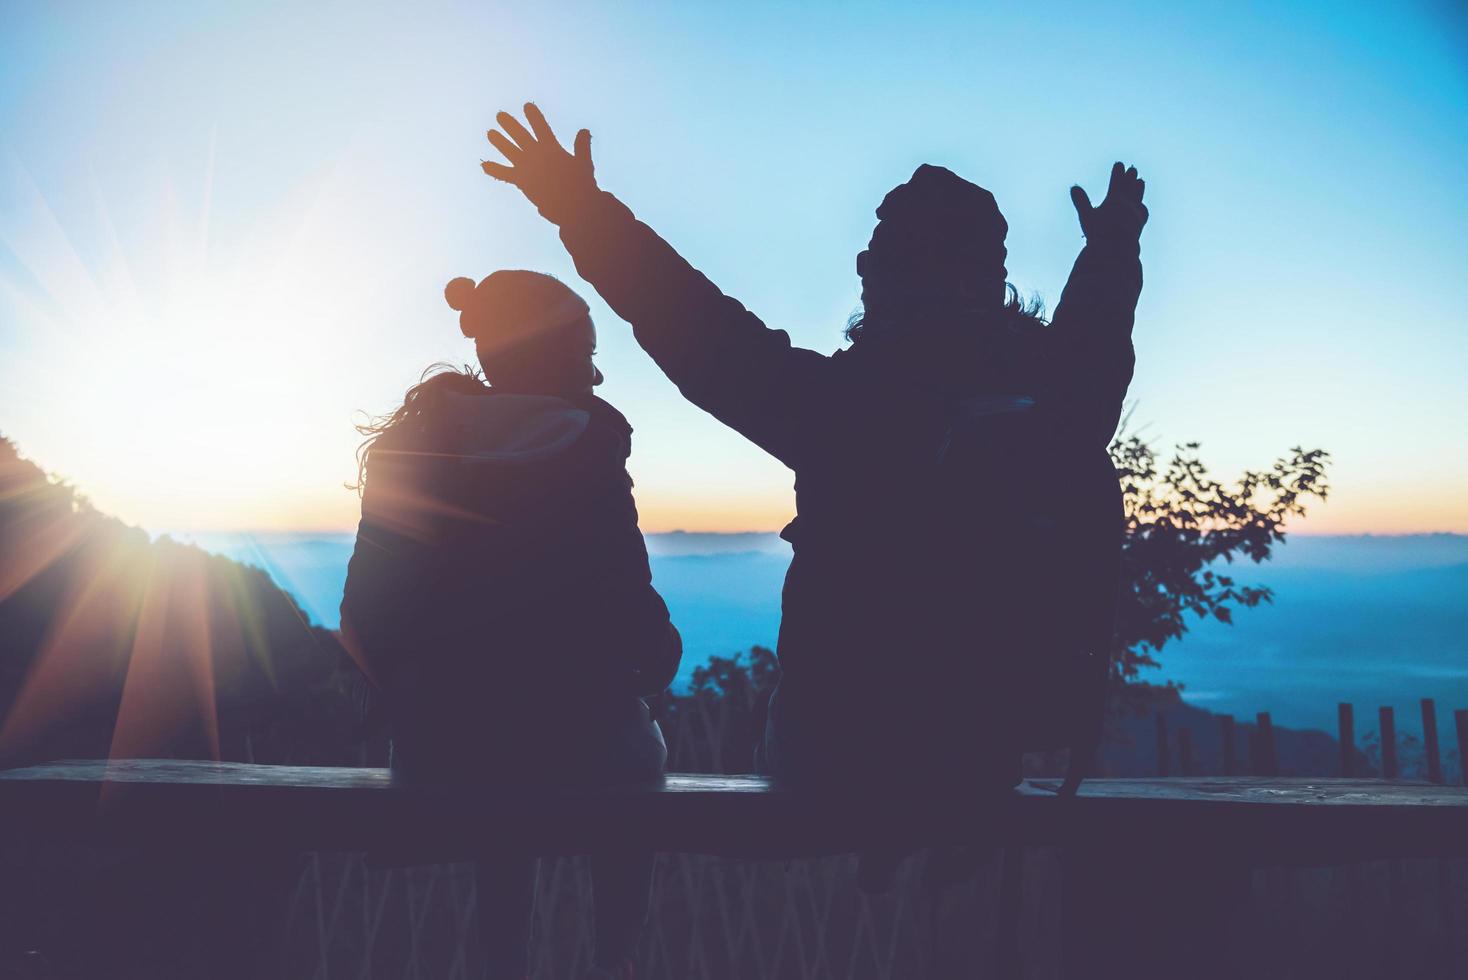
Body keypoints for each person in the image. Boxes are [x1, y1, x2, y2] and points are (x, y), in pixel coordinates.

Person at [479, 104, 1147, 802]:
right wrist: (1111, 252)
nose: (861, 268)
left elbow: (693, 326)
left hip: (840, 747)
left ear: (907, 277)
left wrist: (580, 211)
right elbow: (1092, 347)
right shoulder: (1057, 405)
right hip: (989, 744)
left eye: (877, 255)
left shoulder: (847, 407)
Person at [339, 270, 680, 980]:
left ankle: (504, 961)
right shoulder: (590, 442)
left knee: (497, 736)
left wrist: (409, 699)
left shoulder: (415, 446)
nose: (595, 370)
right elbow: (630, 602)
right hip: (586, 750)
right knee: (628, 749)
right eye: (586, 350)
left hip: (441, 752)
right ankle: (614, 959)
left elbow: (363, 613)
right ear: (560, 356)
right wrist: (654, 666)